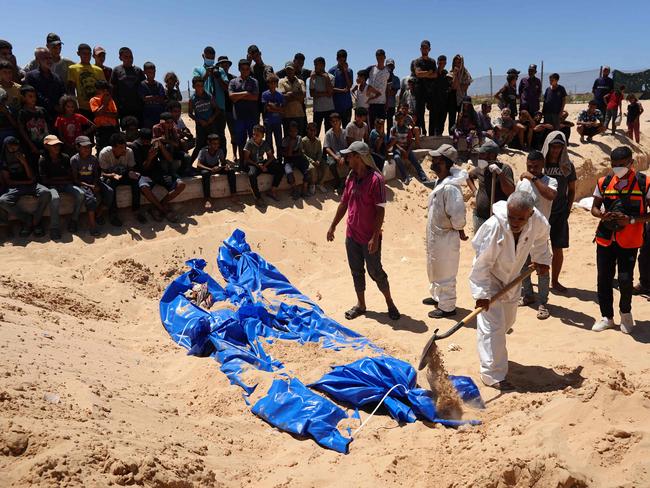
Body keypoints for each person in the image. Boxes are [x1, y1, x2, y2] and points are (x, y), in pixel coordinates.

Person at [470, 191, 552, 390]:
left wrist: (541, 259)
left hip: (513, 279)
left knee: (506, 323)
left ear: (530, 214)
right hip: (490, 278)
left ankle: (493, 354)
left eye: (520, 218)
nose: (514, 221)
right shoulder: (494, 227)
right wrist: (481, 294)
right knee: (493, 327)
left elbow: (542, 237)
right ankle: (493, 375)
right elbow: (481, 264)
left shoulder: (537, 221)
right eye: (511, 216)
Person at [327, 140, 400, 321]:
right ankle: (361, 305)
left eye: (349, 156)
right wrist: (333, 225)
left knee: (376, 272)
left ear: (358, 157)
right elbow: (344, 203)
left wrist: (375, 237)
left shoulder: (377, 180)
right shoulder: (351, 176)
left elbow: (380, 210)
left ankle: (390, 303)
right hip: (352, 235)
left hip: (369, 237)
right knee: (356, 270)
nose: (346, 158)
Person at [591, 146, 649, 333]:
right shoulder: (604, 182)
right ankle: (606, 317)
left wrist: (630, 220)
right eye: (613, 165)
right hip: (605, 238)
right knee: (603, 279)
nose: (617, 168)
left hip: (630, 239)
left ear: (631, 163)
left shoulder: (644, 183)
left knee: (625, 279)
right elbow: (594, 208)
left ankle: (626, 314)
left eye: (621, 165)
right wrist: (602, 216)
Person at [424, 144, 468, 318]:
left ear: (447, 163)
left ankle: (448, 306)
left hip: (446, 238)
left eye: (438, 160)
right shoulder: (440, 181)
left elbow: (458, 216)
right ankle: (438, 297)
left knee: (446, 271)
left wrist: (458, 229)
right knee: (435, 267)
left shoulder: (451, 188)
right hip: (436, 235)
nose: (434, 163)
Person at [515, 150, 558, 319]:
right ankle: (528, 295)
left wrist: (533, 178)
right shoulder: (522, 183)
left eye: (536, 167)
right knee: (522, 266)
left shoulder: (550, 181)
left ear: (543, 166)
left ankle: (543, 302)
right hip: (523, 231)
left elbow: (550, 195)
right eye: (529, 166)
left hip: (539, 233)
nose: (532, 169)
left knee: (542, 268)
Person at [541, 131, 576, 292]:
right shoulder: (541, 165)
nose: (556, 150)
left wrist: (568, 209)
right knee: (535, 248)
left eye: (559, 147)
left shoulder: (567, 166)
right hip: (541, 213)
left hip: (560, 213)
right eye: (553, 146)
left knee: (557, 248)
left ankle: (554, 281)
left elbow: (572, 189)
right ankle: (531, 283)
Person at [0, 134, 52, 238]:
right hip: (17, 187)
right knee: (3, 200)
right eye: (10, 146)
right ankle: (27, 219)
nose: (13, 149)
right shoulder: (4, 160)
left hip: (32, 184)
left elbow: (32, 177)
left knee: (45, 192)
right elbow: (9, 182)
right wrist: (26, 183)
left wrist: (24, 163)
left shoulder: (26, 155)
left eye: (15, 146)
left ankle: (36, 221)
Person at [131, 128, 184, 222]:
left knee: (181, 185)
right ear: (141, 139)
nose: (148, 143)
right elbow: (142, 169)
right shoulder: (135, 146)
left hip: (158, 172)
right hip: (144, 174)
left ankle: (159, 206)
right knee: (144, 187)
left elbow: (170, 159)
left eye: (149, 141)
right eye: (145, 142)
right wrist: (149, 158)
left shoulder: (153, 143)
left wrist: (161, 147)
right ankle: (164, 210)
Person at [38, 134, 85, 238]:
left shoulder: (65, 157)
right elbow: (45, 180)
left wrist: (58, 179)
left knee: (81, 194)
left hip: (65, 184)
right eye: (53, 145)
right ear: (46, 146)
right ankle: (54, 227)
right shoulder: (43, 160)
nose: (57, 147)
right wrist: (61, 179)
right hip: (52, 186)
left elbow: (70, 176)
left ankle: (74, 220)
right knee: (55, 198)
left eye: (58, 145)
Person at [468, 139, 516, 232]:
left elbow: (510, 191)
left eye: (482, 154)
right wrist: (475, 191)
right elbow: (468, 176)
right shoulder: (481, 169)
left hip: (497, 218)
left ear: (492, 155)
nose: (479, 157)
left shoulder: (505, 169)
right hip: (480, 217)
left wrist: (500, 174)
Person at [70, 135, 112, 236]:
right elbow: (75, 179)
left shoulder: (93, 159)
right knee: (91, 200)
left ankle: (98, 213)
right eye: (84, 147)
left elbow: (96, 174)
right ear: (77, 147)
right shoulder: (74, 160)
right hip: (82, 184)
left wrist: (95, 184)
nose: (87, 149)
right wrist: (89, 186)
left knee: (109, 192)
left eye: (89, 147)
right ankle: (92, 225)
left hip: (93, 182)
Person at [99, 132, 142, 225]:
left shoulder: (129, 152)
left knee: (136, 181)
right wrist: (113, 174)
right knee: (110, 185)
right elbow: (103, 172)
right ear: (113, 147)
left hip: (124, 174)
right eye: (121, 148)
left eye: (124, 147)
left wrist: (131, 173)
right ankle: (113, 214)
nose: (124, 150)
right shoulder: (104, 153)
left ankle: (136, 210)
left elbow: (130, 168)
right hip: (110, 176)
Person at [22, 49, 66, 124]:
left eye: (50, 58)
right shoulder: (30, 76)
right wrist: (53, 106)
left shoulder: (57, 77)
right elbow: (35, 94)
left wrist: (63, 105)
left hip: (57, 116)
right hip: (38, 117)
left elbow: (63, 93)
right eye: (45, 58)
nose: (49, 60)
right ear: (37, 59)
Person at [242, 124, 283, 205]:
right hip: (252, 164)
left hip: (261, 164)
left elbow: (271, 157)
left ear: (262, 135)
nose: (254, 136)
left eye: (257, 135)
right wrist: (259, 166)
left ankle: (273, 190)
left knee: (280, 168)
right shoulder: (249, 143)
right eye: (253, 134)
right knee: (251, 175)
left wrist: (265, 165)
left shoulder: (264, 143)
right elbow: (246, 159)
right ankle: (258, 197)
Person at [196, 133, 238, 206]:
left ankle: (233, 194)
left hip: (215, 167)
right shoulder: (203, 151)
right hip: (206, 168)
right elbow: (199, 164)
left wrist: (225, 166)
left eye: (217, 144)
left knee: (231, 171)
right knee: (205, 174)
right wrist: (210, 169)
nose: (216, 145)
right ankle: (207, 198)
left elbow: (223, 162)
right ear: (209, 143)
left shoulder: (219, 150)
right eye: (214, 144)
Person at [229, 59, 259, 157]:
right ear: (239, 69)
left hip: (252, 116)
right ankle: (242, 162)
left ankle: (252, 161)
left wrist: (239, 96)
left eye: (247, 69)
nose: (245, 71)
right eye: (243, 69)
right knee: (240, 141)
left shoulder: (254, 81)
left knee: (253, 140)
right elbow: (232, 97)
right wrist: (246, 93)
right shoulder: (233, 82)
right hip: (239, 117)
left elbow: (255, 97)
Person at [67, 43, 106, 119]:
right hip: (82, 108)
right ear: (78, 53)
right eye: (84, 53)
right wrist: (74, 107)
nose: (86, 56)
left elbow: (105, 89)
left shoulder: (98, 70)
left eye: (88, 54)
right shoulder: (73, 68)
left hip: (97, 107)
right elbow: (71, 89)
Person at [389, 111, 428, 184]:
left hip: (406, 148)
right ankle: (405, 176)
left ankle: (422, 175)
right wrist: (402, 150)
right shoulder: (393, 129)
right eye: (398, 118)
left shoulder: (407, 128)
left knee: (414, 159)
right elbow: (394, 143)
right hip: (397, 149)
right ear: (396, 119)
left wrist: (407, 151)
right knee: (397, 157)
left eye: (401, 118)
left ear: (404, 118)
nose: (400, 120)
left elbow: (410, 142)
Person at [188, 76, 218, 165]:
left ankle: (209, 163)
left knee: (212, 144)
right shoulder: (192, 99)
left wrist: (211, 119)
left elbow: (217, 109)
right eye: (197, 85)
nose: (200, 87)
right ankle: (189, 165)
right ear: (194, 86)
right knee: (199, 145)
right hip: (200, 125)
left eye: (201, 85)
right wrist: (199, 121)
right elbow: (190, 113)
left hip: (210, 125)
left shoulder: (209, 96)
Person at [110, 47, 145, 123]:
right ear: (120, 58)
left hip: (138, 108)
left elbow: (144, 88)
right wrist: (115, 108)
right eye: (126, 57)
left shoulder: (138, 71)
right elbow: (113, 90)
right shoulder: (116, 70)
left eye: (131, 57)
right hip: (123, 109)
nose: (129, 59)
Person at [17, 85, 49, 165]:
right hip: (32, 146)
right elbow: (22, 131)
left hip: (45, 144)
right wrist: (32, 146)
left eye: (34, 96)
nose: (33, 98)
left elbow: (48, 127)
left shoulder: (42, 110)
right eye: (30, 96)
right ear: (23, 98)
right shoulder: (22, 113)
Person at [411, 40, 436, 136]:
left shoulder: (432, 61)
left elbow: (435, 75)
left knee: (432, 111)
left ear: (429, 49)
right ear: (420, 49)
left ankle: (431, 133)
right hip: (420, 89)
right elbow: (417, 74)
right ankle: (420, 133)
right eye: (423, 47)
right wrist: (428, 73)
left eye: (426, 48)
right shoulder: (417, 61)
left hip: (430, 90)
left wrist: (424, 74)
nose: (424, 49)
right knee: (419, 112)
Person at [281, 121, 311, 199]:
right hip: (288, 160)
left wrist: (291, 153)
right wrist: (290, 146)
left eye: (295, 131)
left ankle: (304, 189)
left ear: (297, 131)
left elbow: (300, 152)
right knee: (289, 173)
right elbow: (285, 154)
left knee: (307, 172)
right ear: (288, 131)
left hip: (298, 159)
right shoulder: (285, 140)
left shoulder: (299, 138)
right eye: (291, 131)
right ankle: (295, 189)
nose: (293, 133)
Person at [278, 62, 306, 137]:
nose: (289, 71)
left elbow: (303, 95)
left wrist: (290, 94)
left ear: (294, 70)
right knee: (287, 137)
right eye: (287, 70)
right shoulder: (281, 81)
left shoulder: (301, 82)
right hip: (286, 115)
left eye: (291, 69)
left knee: (299, 137)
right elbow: (282, 96)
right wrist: (297, 96)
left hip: (299, 114)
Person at [90, 80, 119, 152]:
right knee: (101, 148)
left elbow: (115, 115)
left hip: (111, 128)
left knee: (112, 148)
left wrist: (103, 112)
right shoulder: (93, 100)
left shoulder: (111, 100)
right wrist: (105, 103)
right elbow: (96, 114)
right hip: (101, 129)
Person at [218, 56, 238, 160]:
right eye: (222, 65)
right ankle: (222, 157)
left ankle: (234, 155)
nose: (225, 67)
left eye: (226, 65)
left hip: (230, 109)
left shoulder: (233, 79)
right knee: (220, 135)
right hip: (218, 111)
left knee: (233, 134)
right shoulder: (214, 78)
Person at [323, 112, 348, 192]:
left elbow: (348, 147)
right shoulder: (328, 134)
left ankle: (347, 180)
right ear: (330, 123)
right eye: (333, 121)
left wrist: (343, 157)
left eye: (336, 121)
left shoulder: (345, 132)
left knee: (352, 161)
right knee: (331, 164)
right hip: (333, 154)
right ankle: (338, 180)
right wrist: (336, 157)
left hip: (344, 154)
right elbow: (327, 148)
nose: (335, 123)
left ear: (340, 121)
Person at [309, 57, 335, 136]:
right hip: (317, 109)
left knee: (329, 133)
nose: (315, 67)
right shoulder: (313, 77)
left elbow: (330, 93)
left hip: (329, 109)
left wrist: (326, 77)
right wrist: (325, 93)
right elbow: (312, 94)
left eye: (317, 65)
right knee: (315, 132)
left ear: (323, 65)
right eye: (315, 65)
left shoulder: (330, 77)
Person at [448, 55, 472, 136]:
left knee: (462, 117)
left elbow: (463, 88)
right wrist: (456, 75)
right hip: (452, 98)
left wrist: (458, 79)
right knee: (452, 118)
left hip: (462, 98)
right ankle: (452, 135)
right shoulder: (451, 73)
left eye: (459, 62)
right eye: (455, 63)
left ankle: (462, 134)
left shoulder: (466, 74)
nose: (457, 64)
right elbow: (454, 86)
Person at [328, 50, 354, 127]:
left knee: (346, 128)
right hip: (336, 106)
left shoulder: (349, 71)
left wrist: (345, 71)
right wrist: (342, 91)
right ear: (337, 59)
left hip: (347, 105)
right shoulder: (332, 71)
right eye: (341, 60)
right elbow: (330, 88)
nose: (342, 62)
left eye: (344, 60)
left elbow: (349, 86)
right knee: (336, 128)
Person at [247, 45, 273, 119]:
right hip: (254, 101)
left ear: (260, 54)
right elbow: (244, 78)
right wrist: (248, 62)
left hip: (267, 100)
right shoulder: (250, 69)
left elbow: (271, 80)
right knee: (254, 125)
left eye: (257, 55)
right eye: (253, 56)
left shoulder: (268, 68)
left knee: (268, 125)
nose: (256, 58)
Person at [261, 74, 284, 158]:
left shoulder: (280, 95)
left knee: (279, 141)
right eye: (270, 82)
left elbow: (282, 110)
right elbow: (267, 108)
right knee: (268, 141)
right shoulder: (265, 94)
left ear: (277, 83)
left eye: (274, 82)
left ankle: (279, 158)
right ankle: (270, 158)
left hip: (277, 122)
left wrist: (272, 106)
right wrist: (277, 108)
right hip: (268, 122)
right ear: (268, 83)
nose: (272, 84)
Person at [138, 62, 166, 129]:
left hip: (158, 114)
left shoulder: (159, 85)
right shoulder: (142, 85)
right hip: (147, 116)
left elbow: (162, 98)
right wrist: (155, 97)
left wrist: (150, 97)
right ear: (145, 72)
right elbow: (144, 98)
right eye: (149, 72)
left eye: (153, 72)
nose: (152, 74)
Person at [366, 49, 390, 128]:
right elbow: (361, 79)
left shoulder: (388, 71)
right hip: (371, 103)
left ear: (385, 57)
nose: (380, 58)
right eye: (378, 56)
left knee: (381, 127)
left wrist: (387, 102)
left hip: (382, 103)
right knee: (371, 126)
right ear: (376, 57)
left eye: (381, 56)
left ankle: (381, 141)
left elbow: (387, 87)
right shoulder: (371, 69)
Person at [302, 122, 325, 194]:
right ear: (307, 130)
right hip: (307, 161)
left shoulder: (318, 140)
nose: (312, 132)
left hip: (316, 159)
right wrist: (312, 161)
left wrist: (318, 160)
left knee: (326, 166)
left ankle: (320, 183)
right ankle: (312, 184)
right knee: (312, 168)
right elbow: (303, 154)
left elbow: (320, 152)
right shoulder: (303, 141)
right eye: (310, 130)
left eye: (314, 130)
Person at [385, 59, 400, 132]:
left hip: (391, 105)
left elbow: (393, 93)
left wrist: (385, 90)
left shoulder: (396, 79)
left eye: (391, 65)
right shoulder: (382, 78)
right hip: (381, 104)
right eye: (388, 65)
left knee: (390, 126)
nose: (390, 67)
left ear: (394, 67)